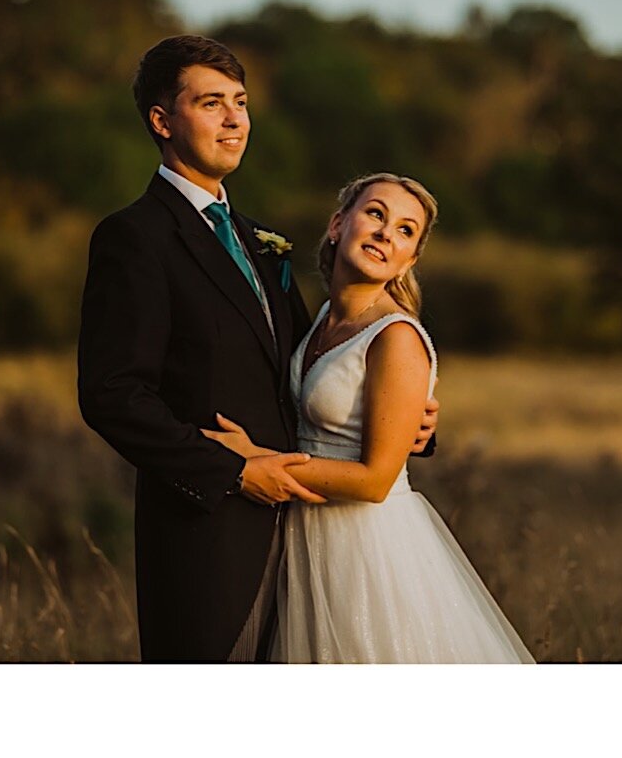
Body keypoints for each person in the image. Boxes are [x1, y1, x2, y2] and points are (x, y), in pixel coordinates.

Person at [77, 35, 438, 662]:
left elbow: (312, 369)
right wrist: (235, 472)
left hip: (313, 543)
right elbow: (111, 395)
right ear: (162, 121)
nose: (234, 119)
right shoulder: (134, 238)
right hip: (207, 540)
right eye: (210, 103)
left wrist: (413, 420)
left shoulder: (257, 241)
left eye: (239, 103)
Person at [203, 173, 533, 662]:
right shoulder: (320, 318)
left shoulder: (396, 337)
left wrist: (258, 460)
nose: (385, 233)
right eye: (376, 214)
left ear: (411, 259)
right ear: (339, 224)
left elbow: (376, 479)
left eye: (405, 230)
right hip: (305, 537)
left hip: (366, 545)